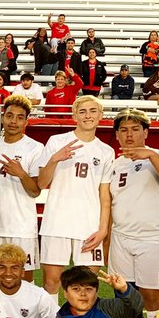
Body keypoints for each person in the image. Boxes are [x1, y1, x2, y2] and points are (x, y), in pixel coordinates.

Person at [37, 95, 114, 296]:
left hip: (88, 226)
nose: (87, 115)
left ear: (100, 116)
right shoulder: (57, 141)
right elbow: (41, 182)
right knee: (51, 284)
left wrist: (103, 229)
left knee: (88, 286)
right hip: (56, 223)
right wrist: (54, 160)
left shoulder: (106, 151)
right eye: (82, 111)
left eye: (92, 111)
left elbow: (104, 195)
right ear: (74, 116)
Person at [108, 109, 159, 318]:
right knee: (125, 298)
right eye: (123, 130)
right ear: (116, 135)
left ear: (145, 132)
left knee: (153, 299)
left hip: (152, 238)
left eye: (135, 129)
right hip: (121, 239)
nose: (129, 135)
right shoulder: (114, 164)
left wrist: (151, 156)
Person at [0, 95, 43, 280]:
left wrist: (21, 173)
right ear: (3, 117)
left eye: (20, 117)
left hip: (22, 227)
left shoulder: (35, 148)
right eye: (10, 116)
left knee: (25, 281)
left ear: (26, 121)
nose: (13, 121)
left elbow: (35, 190)